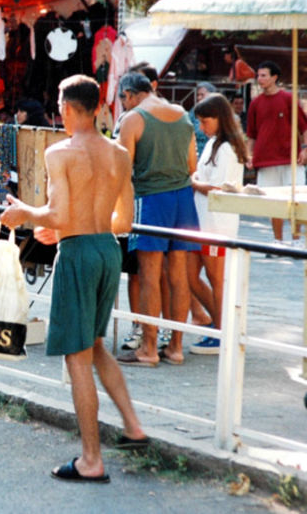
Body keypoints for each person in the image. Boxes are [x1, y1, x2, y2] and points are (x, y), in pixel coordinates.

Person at [0, 75, 146, 483]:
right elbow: (123, 220)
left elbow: (58, 214)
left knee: (77, 357)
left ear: (65, 108)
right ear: (98, 107)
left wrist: (25, 213)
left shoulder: (59, 152)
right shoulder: (119, 154)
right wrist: (72, 224)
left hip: (79, 254)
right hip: (108, 249)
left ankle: (91, 459)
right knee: (95, 345)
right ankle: (133, 427)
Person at [117, 72, 199, 367]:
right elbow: (192, 165)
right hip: (184, 199)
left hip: (151, 199)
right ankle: (175, 347)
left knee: (149, 275)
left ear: (129, 94)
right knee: (179, 276)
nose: (123, 104)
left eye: (122, 99)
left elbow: (122, 168)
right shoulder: (183, 115)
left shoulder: (133, 119)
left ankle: (148, 348)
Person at [188, 93, 247, 355]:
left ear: (219, 118)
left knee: (216, 279)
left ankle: (222, 331)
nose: (202, 127)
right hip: (202, 221)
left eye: (205, 121)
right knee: (190, 276)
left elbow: (216, 187)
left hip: (216, 223)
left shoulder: (226, 148)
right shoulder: (214, 143)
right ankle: (219, 323)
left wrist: (192, 181)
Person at [246, 60, 307, 244]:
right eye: (258, 75)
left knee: (296, 200)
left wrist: (305, 149)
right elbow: (251, 134)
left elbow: (304, 127)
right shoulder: (255, 103)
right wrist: (249, 155)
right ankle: (277, 241)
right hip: (265, 160)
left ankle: (297, 241)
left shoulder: (288, 99)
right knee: (272, 203)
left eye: (263, 75)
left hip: (290, 159)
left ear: (274, 77)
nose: (259, 79)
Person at [189, 82, 217, 157]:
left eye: (202, 95)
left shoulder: (218, 111)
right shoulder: (194, 111)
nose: (199, 98)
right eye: (198, 95)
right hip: (197, 152)